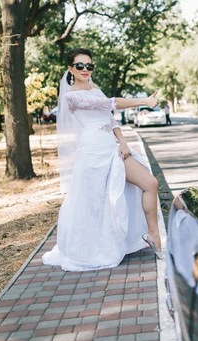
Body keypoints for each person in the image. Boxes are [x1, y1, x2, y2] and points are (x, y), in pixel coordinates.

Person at [43, 48, 163, 272]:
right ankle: (97, 245)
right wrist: (144, 100)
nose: (85, 69)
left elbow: (109, 117)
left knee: (150, 183)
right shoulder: (71, 96)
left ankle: (153, 235)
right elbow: (110, 104)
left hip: (112, 147)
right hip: (92, 152)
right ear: (71, 69)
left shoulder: (95, 89)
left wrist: (123, 142)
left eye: (89, 65)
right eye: (80, 66)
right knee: (95, 203)